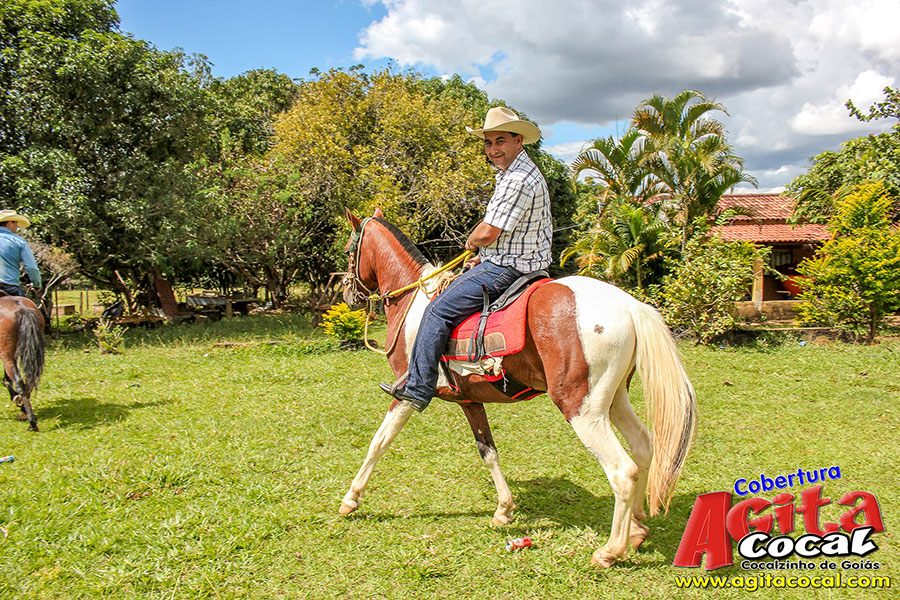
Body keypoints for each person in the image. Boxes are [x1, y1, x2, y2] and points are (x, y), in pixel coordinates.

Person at [382, 106, 552, 412]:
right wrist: (480, 255)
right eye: (488, 143)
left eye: (500, 141)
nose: (493, 149)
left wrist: (472, 243)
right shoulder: (514, 173)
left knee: (436, 311)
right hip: (510, 261)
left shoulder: (516, 179)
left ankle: (418, 387)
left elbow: (488, 232)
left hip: (508, 268)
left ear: (518, 141)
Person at [0, 210, 42, 297]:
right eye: (16, 224)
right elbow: (31, 267)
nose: (16, 227)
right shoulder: (18, 241)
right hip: (10, 288)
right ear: (9, 223)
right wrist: (36, 283)